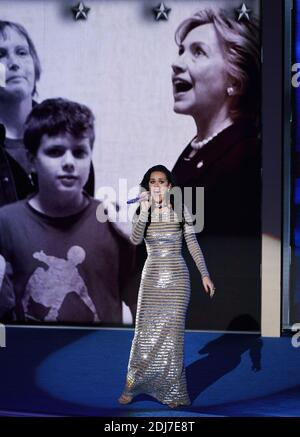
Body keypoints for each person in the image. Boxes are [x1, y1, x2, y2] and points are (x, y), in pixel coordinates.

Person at [0, 97, 135, 323]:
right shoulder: (6, 224)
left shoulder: (114, 224)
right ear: (32, 160)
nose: (69, 162)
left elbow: (140, 302)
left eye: (79, 153)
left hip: (100, 355)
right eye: (55, 152)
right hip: (28, 355)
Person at [171, 8, 261, 331]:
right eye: (181, 51)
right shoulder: (196, 152)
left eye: (198, 53)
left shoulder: (246, 158)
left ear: (235, 81)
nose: (177, 63)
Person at [118, 165, 214, 408]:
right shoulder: (143, 211)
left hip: (177, 280)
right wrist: (145, 209)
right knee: (144, 334)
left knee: (172, 337)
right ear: (148, 186)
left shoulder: (180, 209)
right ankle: (133, 385)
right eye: (153, 181)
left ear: (170, 186)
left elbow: (192, 242)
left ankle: (173, 391)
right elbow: (135, 240)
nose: (157, 185)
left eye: (162, 181)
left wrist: (204, 274)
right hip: (151, 280)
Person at [0, 20, 94, 206]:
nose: (14, 63)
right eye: (0, 55)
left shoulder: (67, 127)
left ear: (34, 64)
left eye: (21, 52)